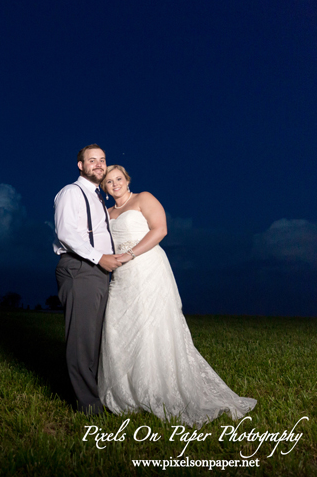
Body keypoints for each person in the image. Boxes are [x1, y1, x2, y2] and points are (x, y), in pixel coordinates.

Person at [97, 164, 256, 427]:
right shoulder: (107, 212)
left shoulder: (143, 198)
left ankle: (158, 389)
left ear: (127, 179)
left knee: (152, 326)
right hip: (122, 276)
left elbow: (160, 230)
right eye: (108, 182)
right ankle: (128, 393)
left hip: (147, 266)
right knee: (120, 326)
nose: (114, 184)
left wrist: (128, 255)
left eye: (118, 178)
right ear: (104, 187)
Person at [53, 144, 123, 415]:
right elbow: (66, 234)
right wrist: (99, 258)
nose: (98, 164)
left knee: (93, 340)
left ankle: (94, 398)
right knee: (82, 342)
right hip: (80, 269)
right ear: (80, 166)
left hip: (96, 272)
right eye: (91, 160)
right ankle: (89, 410)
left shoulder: (98, 197)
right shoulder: (72, 192)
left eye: (102, 160)